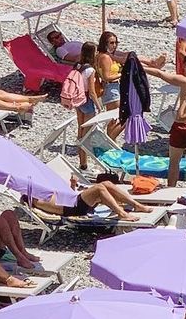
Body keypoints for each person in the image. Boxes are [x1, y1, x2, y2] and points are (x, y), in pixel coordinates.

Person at [146, 51, 186, 186]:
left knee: (174, 162)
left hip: (181, 125)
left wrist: (141, 67)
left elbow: (161, 74)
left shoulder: (185, 81)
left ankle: (170, 190)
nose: (183, 67)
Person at [27, 173, 148, 222]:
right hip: (72, 208)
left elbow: (65, 196)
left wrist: (73, 185)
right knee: (99, 188)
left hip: (73, 201)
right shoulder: (36, 198)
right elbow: (58, 206)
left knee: (107, 183)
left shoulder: (44, 192)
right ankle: (122, 214)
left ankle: (136, 205)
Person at [71, 40, 100, 172]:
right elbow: (93, 92)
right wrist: (99, 106)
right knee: (86, 134)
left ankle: (82, 163)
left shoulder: (77, 65)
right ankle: (84, 164)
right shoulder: (90, 69)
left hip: (78, 99)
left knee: (80, 131)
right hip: (87, 100)